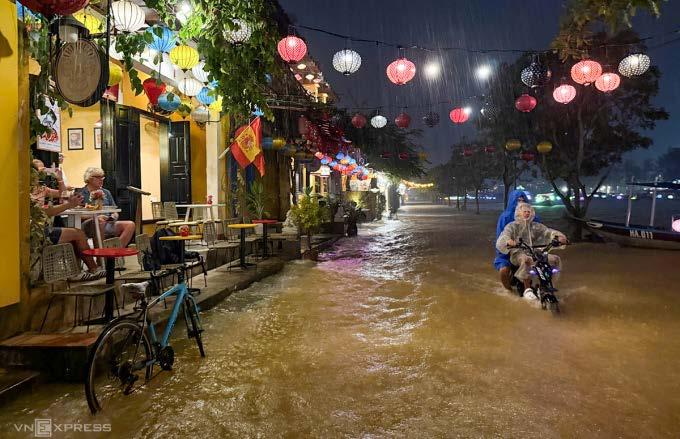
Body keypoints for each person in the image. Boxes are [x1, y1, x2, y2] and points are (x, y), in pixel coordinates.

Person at [30, 165, 104, 281]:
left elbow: (63, 194)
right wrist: (69, 205)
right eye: (40, 170)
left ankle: (77, 272)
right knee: (78, 234)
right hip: (36, 232)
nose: (43, 172)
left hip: (43, 228)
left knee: (76, 235)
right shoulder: (28, 193)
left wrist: (60, 180)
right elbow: (46, 212)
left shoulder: (42, 189)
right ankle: (92, 269)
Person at [496, 203, 567, 300]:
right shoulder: (512, 226)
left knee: (554, 259)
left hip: (535, 251)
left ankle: (548, 284)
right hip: (518, 253)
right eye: (524, 211)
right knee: (527, 260)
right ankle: (527, 289)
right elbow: (504, 235)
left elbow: (548, 232)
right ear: (519, 213)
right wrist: (509, 241)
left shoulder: (535, 226)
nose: (527, 213)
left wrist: (559, 237)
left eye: (528, 212)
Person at [493, 190, 541, 290]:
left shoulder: (533, 217)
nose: (521, 202)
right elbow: (501, 237)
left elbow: (542, 232)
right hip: (509, 250)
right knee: (504, 271)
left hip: (528, 249)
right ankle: (509, 291)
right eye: (518, 200)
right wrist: (506, 248)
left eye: (523, 200)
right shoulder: (505, 217)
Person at [79, 167, 136, 247]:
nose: (101, 180)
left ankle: (116, 250)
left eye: (102, 177)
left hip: (107, 222)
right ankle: (101, 253)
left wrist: (114, 216)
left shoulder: (106, 192)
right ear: (89, 179)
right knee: (100, 221)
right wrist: (95, 217)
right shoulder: (81, 193)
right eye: (98, 177)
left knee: (130, 225)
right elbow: (78, 214)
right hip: (89, 223)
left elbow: (114, 210)